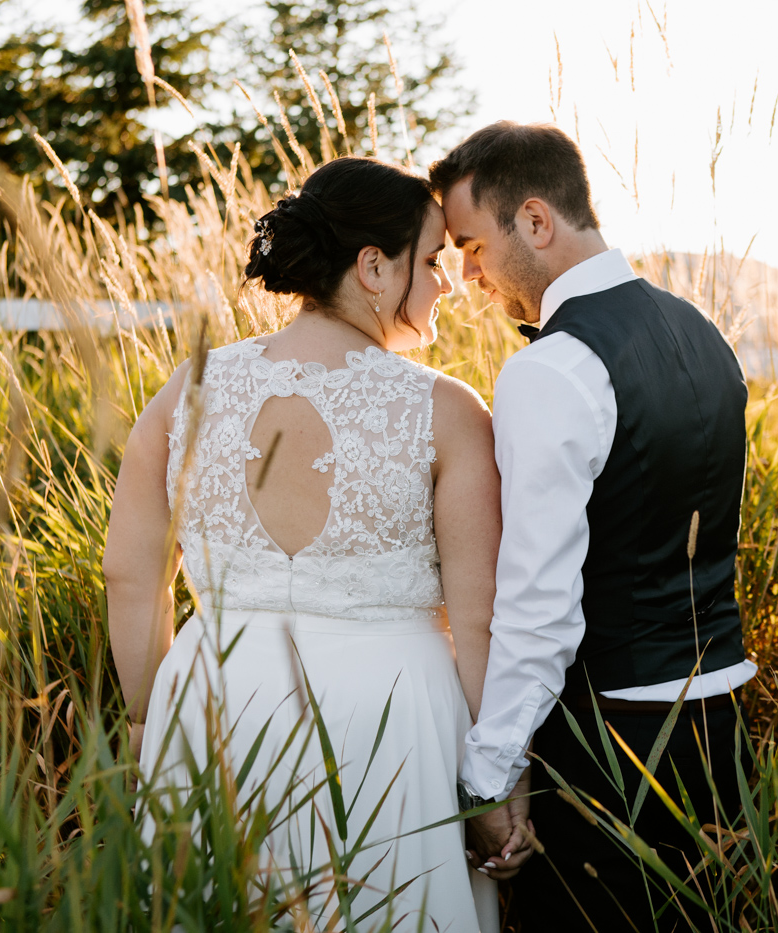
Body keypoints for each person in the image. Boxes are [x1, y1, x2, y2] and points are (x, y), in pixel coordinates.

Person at [102, 156, 526, 932]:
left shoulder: (187, 389)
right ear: (373, 267)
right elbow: (479, 621)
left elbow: (131, 576)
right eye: (430, 260)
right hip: (392, 723)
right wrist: (495, 789)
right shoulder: (447, 410)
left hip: (213, 707)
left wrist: (144, 721)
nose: (447, 282)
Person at [430, 122, 757, 932]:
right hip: (725, 729)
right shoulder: (704, 334)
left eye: (472, 246)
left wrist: (489, 775)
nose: (469, 276)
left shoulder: (551, 369)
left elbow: (539, 606)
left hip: (618, 746)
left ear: (536, 221)